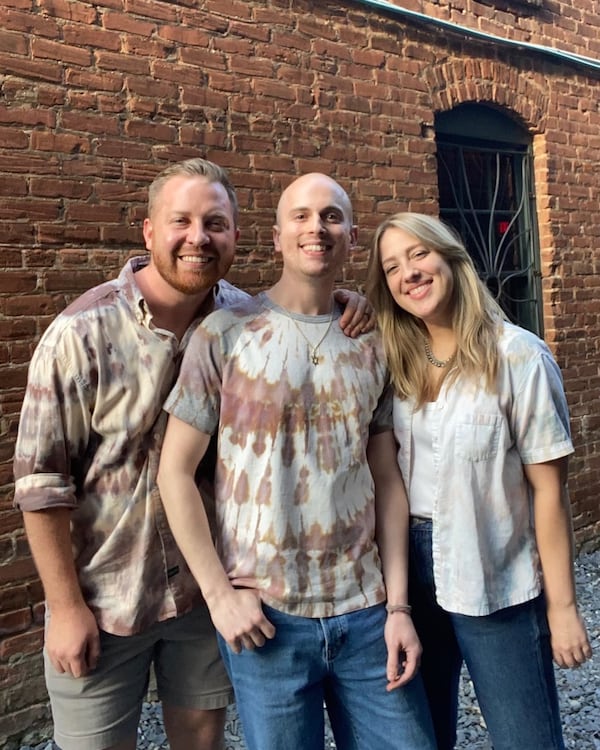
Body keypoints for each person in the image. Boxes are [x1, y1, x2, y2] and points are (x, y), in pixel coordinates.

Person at [12, 158, 374, 750]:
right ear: (150, 231)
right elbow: (42, 483)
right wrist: (65, 607)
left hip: (206, 598)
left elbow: (302, 314)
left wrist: (343, 301)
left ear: (236, 235)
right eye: (181, 222)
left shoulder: (241, 319)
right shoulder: (81, 333)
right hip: (105, 595)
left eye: (215, 223)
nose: (198, 238)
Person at [156, 173, 437, 750]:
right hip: (267, 621)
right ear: (277, 236)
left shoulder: (373, 341)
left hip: (366, 613)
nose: (317, 227)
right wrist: (219, 597)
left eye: (332, 216)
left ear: (352, 237)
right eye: (302, 216)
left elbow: (387, 480)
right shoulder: (225, 335)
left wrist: (400, 607)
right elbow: (175, 473)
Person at [366, 212, 593, 750]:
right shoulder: (396, 361)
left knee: (526, 738)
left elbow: (549, 491)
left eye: (419, 254)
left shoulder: (519, 357)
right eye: (392, 267)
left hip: (492, 565)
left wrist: (562, 608)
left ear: (451, 257)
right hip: (409, 569)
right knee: (425, 735)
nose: (409, 274)